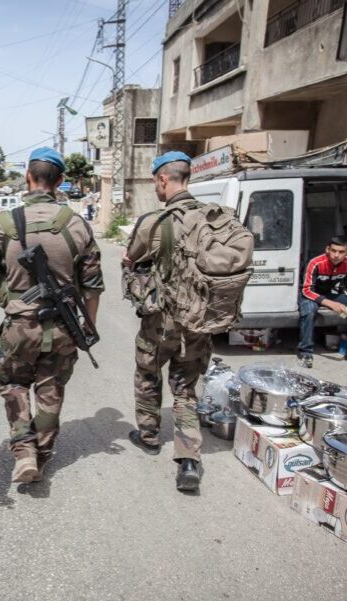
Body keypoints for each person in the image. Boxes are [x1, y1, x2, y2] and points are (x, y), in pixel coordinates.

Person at [0, 147, 104, 484]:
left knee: (13, 385)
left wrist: (9, 275)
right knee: (50, 391)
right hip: (63, 327)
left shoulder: (2, 225)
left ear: (28, 177)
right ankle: (41, 456)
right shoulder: (77, 225)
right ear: (60, 181)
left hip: (19, 328)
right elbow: (92, 287)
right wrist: (86, 328)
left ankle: (24, 449)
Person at [121, 151, 210, 493]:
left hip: (162, 321)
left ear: (163, 179)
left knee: (148, 373)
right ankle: (188, 460)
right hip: (200, 321)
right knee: (186, 388)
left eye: (155, 182)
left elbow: (132, 257)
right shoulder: (213, 219)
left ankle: (148, 435)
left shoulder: (156, 223)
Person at [298, 236, 347, 368]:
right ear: (327, 249)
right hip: (309, 295)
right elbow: (306, 290)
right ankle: (305, 353)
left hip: (328, 294)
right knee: (309, 310)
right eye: (333, 250)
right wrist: (331, 304)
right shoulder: (316, 263)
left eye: (341, 252)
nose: (336, 255)